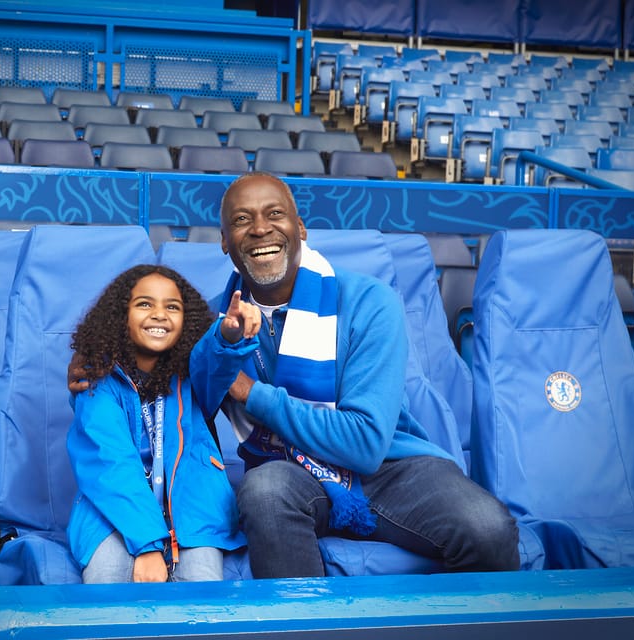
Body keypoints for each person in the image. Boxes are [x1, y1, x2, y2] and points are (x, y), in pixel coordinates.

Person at [186, 172, 521, 579]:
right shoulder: (216, 323)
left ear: (300, 228)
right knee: (265, 492)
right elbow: (188, 396)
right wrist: (220, 348)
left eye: (275, 214)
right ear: (223, 241)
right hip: (287, 469)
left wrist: (250, 393)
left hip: (390, 468)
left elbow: (364, 444)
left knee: (488, 528)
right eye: (241, 220)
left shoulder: (368, 302)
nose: (260, 228)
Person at [65, 264, 252, 583]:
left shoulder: (194, 376)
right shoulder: (96, 383)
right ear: (120, 316)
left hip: (192, 513)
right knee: (105, 579)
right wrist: (149, 547)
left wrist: (229, 337)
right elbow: (112, 466)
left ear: (187, 321)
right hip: (113, 512)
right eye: (144, 304)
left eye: (172, 307)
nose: (159, 314)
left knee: (202, 597)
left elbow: (216, 364)